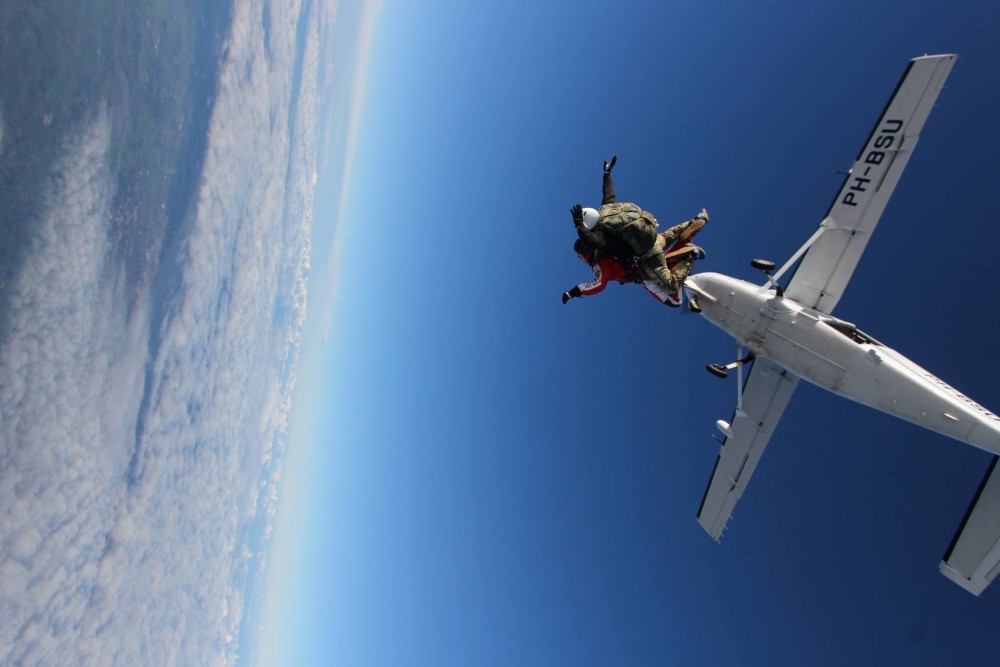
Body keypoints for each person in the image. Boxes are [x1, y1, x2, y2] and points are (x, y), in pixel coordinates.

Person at [566, 155, 708, 303]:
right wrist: (607, 174)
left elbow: (598, 280)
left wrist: (573, 292)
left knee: (671, 285)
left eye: (579, 255)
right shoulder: (607, 210)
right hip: (653, 235)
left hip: (648, 256)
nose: (579, 258)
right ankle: (697, 220)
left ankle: (690, 255)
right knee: (670, 235)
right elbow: (609, 193)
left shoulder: (602, 244)